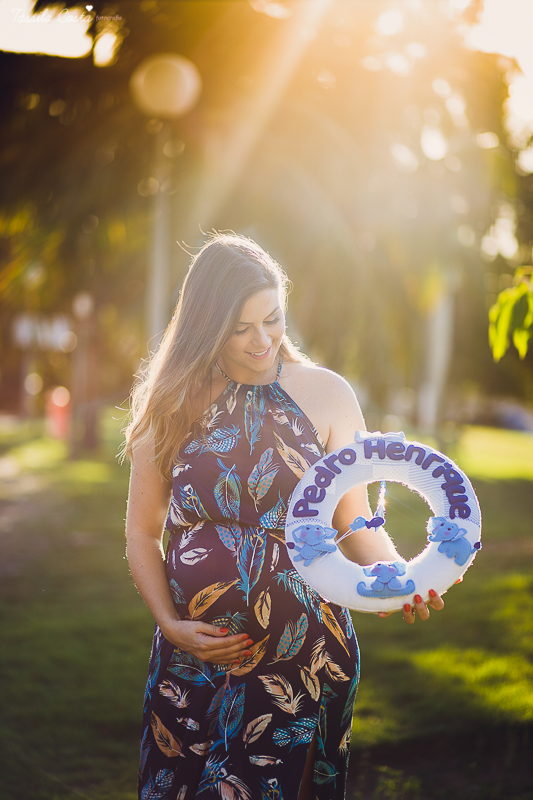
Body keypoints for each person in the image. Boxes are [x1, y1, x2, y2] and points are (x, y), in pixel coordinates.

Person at [124, 232, 444, 800]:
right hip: (194, 657)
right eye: (240, 327)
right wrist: (172, 626)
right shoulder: (171, 400)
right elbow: (142, 531)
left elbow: (355, 523)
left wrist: (405, 578)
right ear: (205, 324)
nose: (261, 340)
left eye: (271, 319)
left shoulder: (326, 394)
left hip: (300, 654)